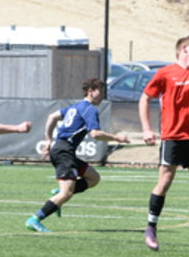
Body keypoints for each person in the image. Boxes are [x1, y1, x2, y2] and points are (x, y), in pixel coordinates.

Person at [138, 35, 189, 251]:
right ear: (184, 49)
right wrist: (146, 129)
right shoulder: (165, 73)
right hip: (172, 137)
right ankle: (151, 227)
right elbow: (145, 98)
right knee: (165, 181)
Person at [25, 78, 129, 232]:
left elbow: (52, 116)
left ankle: (58, 194)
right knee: (67, 193)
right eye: (100, 92)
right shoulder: (90, 109)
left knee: (94, 178)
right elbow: (95, 134)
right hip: (64, 152)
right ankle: (35, 219)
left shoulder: (76, 107)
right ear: (90, 91)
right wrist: (116, 137)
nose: (102, 96)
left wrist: (48, 140)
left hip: (63, 150)